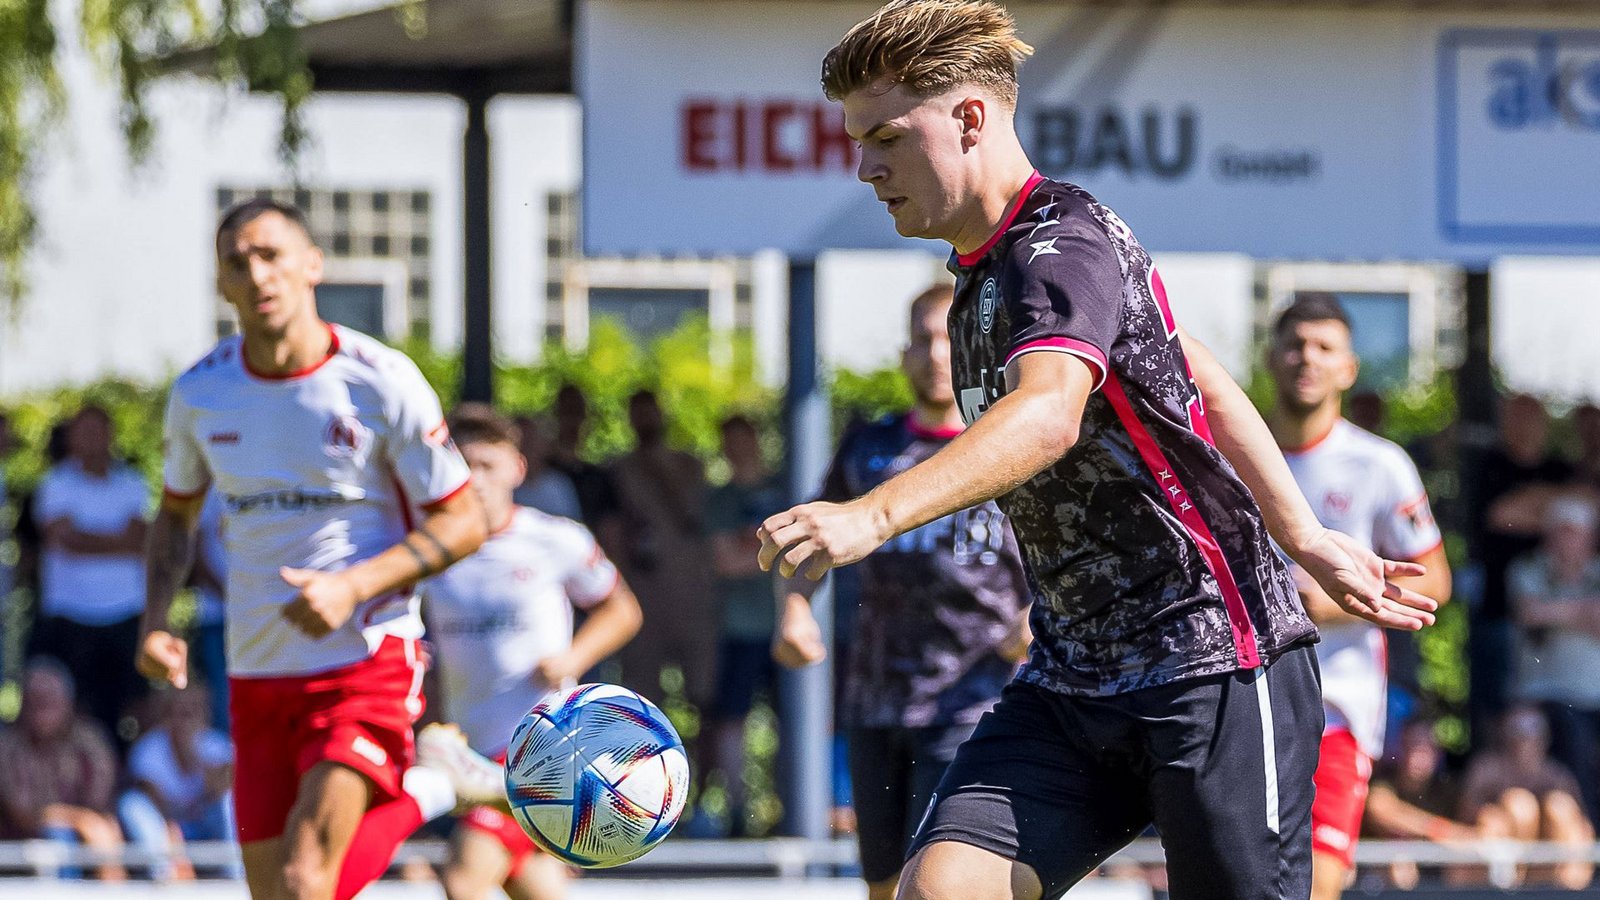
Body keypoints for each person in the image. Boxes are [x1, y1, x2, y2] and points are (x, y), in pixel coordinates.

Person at [757, 4, 1439, 897]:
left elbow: (1048, 418)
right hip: (1075, 678)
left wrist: (873, 514)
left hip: (1213, 664)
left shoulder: (1058, 243)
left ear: (969, 118)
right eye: (857, 140)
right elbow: (1197, 369)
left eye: (884, 135)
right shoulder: (980, 281)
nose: (865, 166)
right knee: (940, 888)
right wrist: (1304, 533)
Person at [136, 198, 503, 900]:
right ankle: (432, 783)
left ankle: (428, 785)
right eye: (237, 264)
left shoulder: (379, 379)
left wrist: (352, 587)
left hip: (365, 661)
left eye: (271, 255)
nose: (257, 275)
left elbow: (463, 523)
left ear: (312, 265)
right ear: (222, 285)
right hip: (258, 670)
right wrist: (156, 622)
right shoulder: (202, 393)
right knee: (283, 896)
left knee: (310, 879)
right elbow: (176, 517)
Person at [773, 283, 1032, 899]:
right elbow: (811, 540)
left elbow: (1066, 553)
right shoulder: (869, 449)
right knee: (884, 883)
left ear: (978, 349)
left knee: (940, 880)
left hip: (972, 703)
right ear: (904, 353)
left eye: (950, 337)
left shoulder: (1004, 446)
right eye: (923, 338)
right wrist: (794, 613)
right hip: (877, 700)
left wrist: (1034, 620)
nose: (937, 353)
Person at [1264, 293, 1452, 900]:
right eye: (1295, 344)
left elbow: (1434, 580)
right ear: (1270, 357)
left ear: (1348, 369)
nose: (1306, 359)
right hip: (1237, 701)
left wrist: (1331, 601)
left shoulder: (1380, 464)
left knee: (1318, 885)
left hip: (1336, 709)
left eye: (1324, 347)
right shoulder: (1230, 457)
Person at [419, 404, 643, 900]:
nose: (474, 479)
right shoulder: (429, 548)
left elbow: (622, 609)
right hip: (467, 750)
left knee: (463, 877)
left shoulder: (554, 538)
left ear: (517, 468)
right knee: (533, 886)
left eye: (487, 466)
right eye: (463, 465)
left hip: (541, 747)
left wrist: (572, 659)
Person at [30, 404, 152, 748]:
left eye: (98, 430)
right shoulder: (55, 483)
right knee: (75, 708)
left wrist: (87, 537)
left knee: (136, 704)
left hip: (127, 612)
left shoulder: (133, 482)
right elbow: (63, 540)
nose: (92, 438)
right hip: (71, 614)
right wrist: (119, 542)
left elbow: (141, 538)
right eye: (84, 431)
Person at [1462, 392, 1572, 749]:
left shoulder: (1560, 467)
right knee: (1495, 704)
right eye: (1516, 417)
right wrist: (1550, 509)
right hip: (1498, 609)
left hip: (1553, 612)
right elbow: (1500, 515)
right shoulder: (1489, 465)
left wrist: (1532, 504)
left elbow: (1584, 506)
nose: (1524, 426)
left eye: (1531, 417)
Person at [697, 413, 787, 837]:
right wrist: (771, 545)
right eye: (729, 441)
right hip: (740, 627)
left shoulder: (786, 487)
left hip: (789, 626)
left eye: (744, 438)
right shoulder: (720, 500)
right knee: (731, 719)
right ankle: (737, 813)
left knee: (800, 719)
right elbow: (723, 564)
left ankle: (793, 808)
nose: (739, 448)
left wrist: (748, 542)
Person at [611, 389, 717, 710]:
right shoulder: (618, 470)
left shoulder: (689, 465)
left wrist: (658, 468)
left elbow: (693, 516)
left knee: (703, 697)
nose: (644, 420)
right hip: (642, 598)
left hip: (690, 596)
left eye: (650, 411)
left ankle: (702, 762)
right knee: (642, 699)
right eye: (637, 412)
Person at [1508, 493, 1600, 821]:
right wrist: (1583, 612)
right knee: (1572, 745)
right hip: (1544, 696)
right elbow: (1528, 612)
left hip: (1593, 698)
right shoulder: (1528, 569)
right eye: (1560, 530)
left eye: (1574, 532)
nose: (1566, 540)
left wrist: (1555, 611)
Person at [0, 657, 125, 881]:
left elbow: (100, 801)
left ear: (68, 702)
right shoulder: (7, 747)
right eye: (34, 699)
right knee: (58, 836)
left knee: (116, 822)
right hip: (26, 846)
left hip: (91, 840)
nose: (41, 706)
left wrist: (89, 825)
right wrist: (80, 821)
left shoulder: (90, 740)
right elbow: (23, 816)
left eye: (49, 699)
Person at [1458, 705, 1594, 890]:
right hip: (1496, 862)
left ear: (1545, 737)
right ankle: (1513, 885)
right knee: (1518, 805)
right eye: (1517, 728)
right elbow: (1464, 817)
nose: (1524, 738)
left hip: (1551, 869)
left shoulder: (1557, 776)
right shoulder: (1486, 769)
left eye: (1532, 728)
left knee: (1559, 807)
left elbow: (1581, 827)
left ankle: (1559, 887)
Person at [117, 685, 237, 881]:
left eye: (191, 712)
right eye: (177, 712)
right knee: (131, 803)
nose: (184, 720)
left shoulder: (217, 745)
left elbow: (221, 793)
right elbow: (153, 803)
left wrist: (193, 755)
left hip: (207, 827)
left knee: (229, 801)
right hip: (167, 829)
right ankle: (164, 875)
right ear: (165, 715)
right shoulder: (148, 748)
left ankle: (235, 875)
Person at [1363, 719, 1481, 890]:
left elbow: (1478, 823)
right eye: (1411, 746)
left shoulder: (1448, 790)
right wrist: (1443, 832)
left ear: (1438, 754)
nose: (1417, 756)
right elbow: (1379, 808)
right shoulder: (1385, 784)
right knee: (1400, 863)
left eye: (1425, 749)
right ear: (1400, 749)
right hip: (1384, 878)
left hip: (1441, 875)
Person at [510, 413, 582, 521]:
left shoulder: (558, 486)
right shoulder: (504, 486)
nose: (527, 449)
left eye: (531, 441)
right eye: (521, 443)